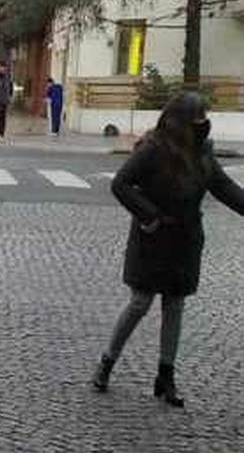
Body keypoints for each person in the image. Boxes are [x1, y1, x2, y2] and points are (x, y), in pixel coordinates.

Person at [91, 92, 244, 407]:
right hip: (153, 237)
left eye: (205, 118)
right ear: (180, 122)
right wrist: (149, 216)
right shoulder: (153, 149)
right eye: (198, 119)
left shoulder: (203, 152)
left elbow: (224, 187)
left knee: (175, 306)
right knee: (140, 302)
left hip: (186, 239)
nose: (204, 125)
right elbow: (121, 184)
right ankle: (107, 362)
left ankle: (166, 376)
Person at [0, 62, 13, 139]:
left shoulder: (6, 78)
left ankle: (1, 132)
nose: (0, 70)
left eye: (2, 68)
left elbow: (7, 90)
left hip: (3, 101)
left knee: (2, 117)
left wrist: (7, 100)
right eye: (0, 68)